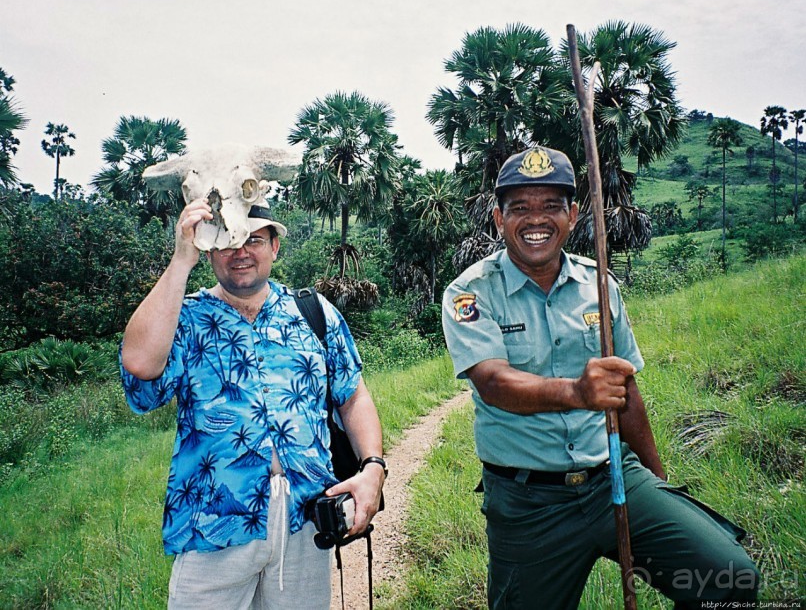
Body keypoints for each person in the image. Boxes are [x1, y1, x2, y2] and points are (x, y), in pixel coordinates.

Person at [441, 147, 758, 609]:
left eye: (551, 206)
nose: (537, 220)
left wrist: (657, 484)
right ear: (497, 218)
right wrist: (576, 392)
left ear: (572, 214)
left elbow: (624, 388)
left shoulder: (599, 284)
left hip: (613, 477)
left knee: (730, 579)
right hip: (529, 504)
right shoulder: (471, 291)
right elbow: (493, 382)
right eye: (520, 209)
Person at [120, 197, 386, 609]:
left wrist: (373, 468)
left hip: (304, 520)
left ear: (275, 247)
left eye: (254, 239)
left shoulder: (314, 313)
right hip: (214, 525)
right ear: (209, 249)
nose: (241, 252)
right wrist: (180, 260)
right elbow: (139, 365)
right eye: (227, 239)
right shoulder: (185, 318)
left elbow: (352, 396)